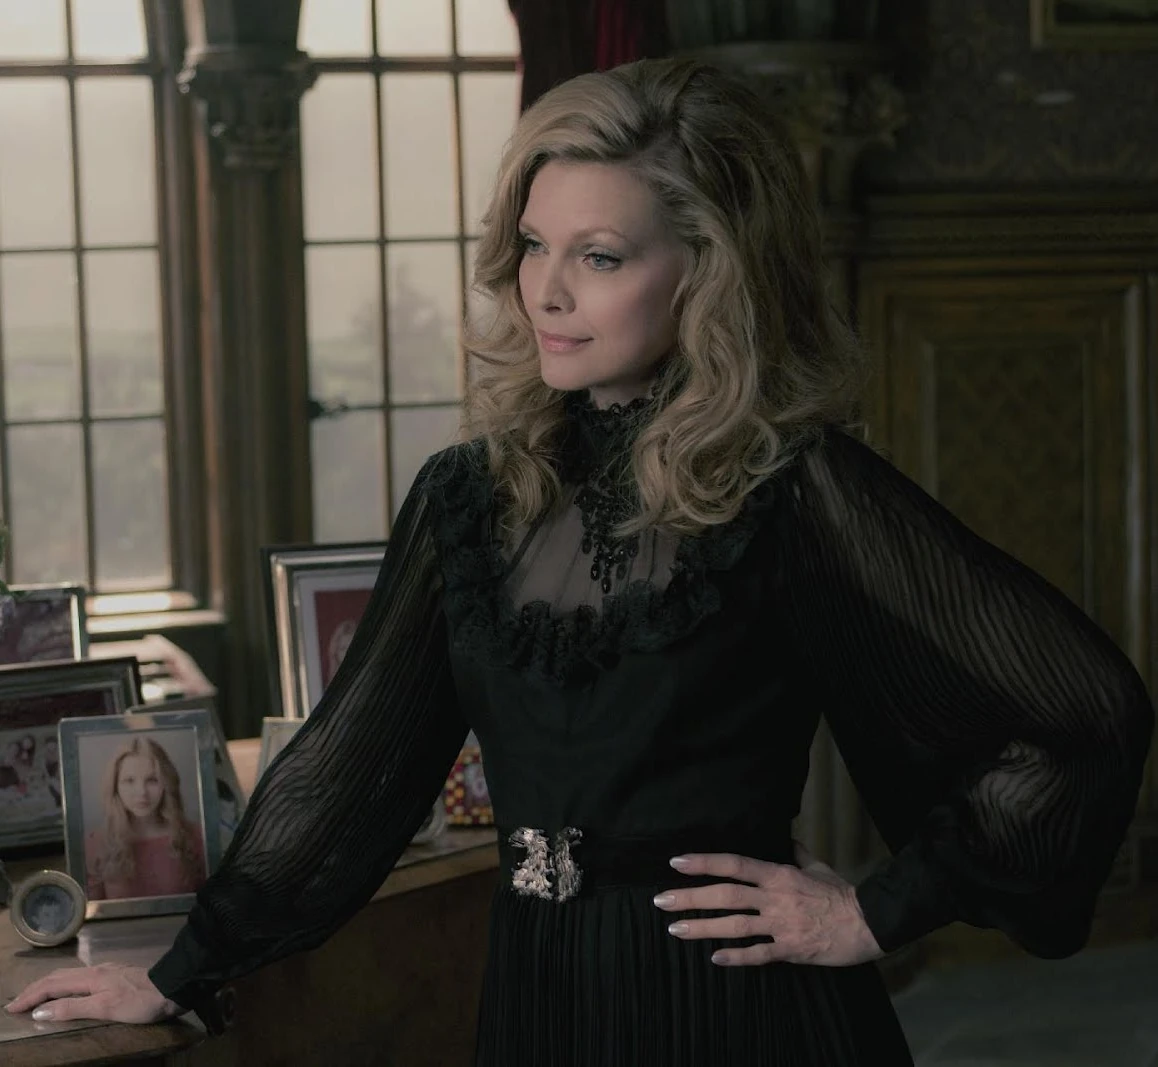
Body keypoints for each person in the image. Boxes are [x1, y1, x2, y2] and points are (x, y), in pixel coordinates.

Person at [6, 57, 1154, 1064]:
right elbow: (354, 771)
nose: (546, 290)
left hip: (739, 1001)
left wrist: (873, 910)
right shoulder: (466, 495)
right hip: (541, 987)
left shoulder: (792, 486)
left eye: (599, 256)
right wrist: (179, 970)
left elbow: (1086, 711)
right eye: (533, 245)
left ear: (705, 270)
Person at [83, 736, 207, 901]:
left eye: (152, 780)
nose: (141, 792)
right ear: (115, 787)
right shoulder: (94, 844)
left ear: (166, 784)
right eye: (129, 781)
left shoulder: (196, 837)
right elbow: (90, 912)